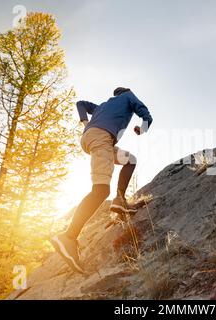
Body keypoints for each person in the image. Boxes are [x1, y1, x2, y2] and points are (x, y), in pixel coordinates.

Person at [51, 87, 153, 273]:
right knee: (101, 190)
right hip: (101, 138)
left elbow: (80, 103)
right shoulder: (129, 96)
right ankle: (68, 237)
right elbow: (146, 114)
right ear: (126, 92)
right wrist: (142, 127)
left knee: (130, 160)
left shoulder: (102, 107)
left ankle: (120, 199)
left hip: (94, 138)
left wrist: (85, 122)